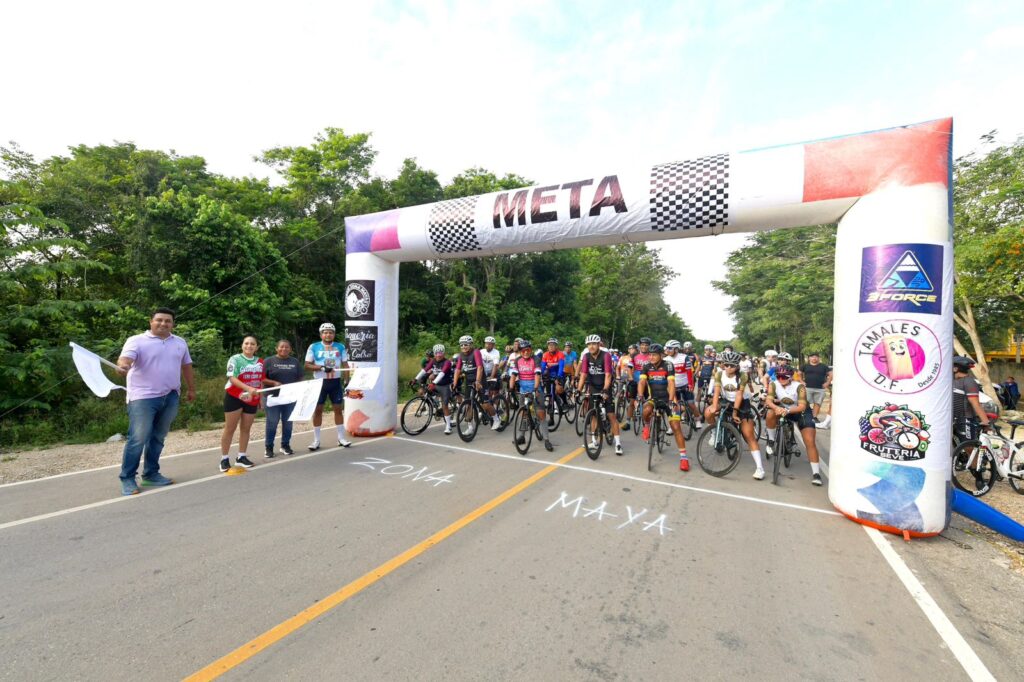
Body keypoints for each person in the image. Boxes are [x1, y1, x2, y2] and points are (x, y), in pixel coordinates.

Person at [114, 308, 196, 496]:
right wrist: (123, 366)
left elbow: (186, 366)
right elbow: (125, 359)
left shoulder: (180, 342)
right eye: (159, 320)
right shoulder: (136, 341)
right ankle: (127, 478)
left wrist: (191, 389)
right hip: (143, 397)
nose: (163, 323)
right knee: (138, 438)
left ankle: (151, 474)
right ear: (150, 321)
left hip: (171, 395)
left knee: (158, 436)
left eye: (168, 321)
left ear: (173, 324)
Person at [220, 336, 279, 472]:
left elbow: (260, 381)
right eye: (246, 343)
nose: (249, 346)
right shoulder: (235, 359)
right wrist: (247, 389)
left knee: (246, 429)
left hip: (251, 399)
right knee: (230, 428)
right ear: (242, 345)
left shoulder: (260, 361)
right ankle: (224, 458)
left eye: (252, 344)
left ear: (256, 347)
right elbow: (232, 378)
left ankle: (241, 457)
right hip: (235, 396)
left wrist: (259, 399)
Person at [703, 350, 763, 479]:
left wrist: (735, 412)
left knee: (748, 434)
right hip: (725, 400)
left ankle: (759, 468)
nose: (729, 368)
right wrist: (714, 407)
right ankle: (715, 433)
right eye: (726, 365)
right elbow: (717, 392)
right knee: (708, 412)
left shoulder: (743, 376)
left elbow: (739, 395)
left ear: (737, 366)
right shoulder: (719, 374)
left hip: (742, 403)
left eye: (732, 365)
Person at [764, 365, 823, 486]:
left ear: (790, 377)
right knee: (770, 413)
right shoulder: (774, 384)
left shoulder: (799, 386)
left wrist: (787, 411)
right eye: (779, 376)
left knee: (809, 441)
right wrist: (777, 408)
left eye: (784, 377)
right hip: (783, 409)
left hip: (800, 412)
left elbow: (801, 406)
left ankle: (816, 474)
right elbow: (768, 401)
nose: (781, 379)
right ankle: (771, 440)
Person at [638, 344, 689, 470]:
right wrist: (640, 395)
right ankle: (647, 425)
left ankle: (684, 458)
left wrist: (671, 400)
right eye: (649, 354)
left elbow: (671, 383)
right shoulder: (646, 366)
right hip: (653, 398)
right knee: (645, 410)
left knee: (676, 427)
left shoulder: (668, 365)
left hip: (668, 399)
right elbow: (642, 382)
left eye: (654, 355)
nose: (651, 357)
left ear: (661, 355)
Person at [304, 322, 351, 450]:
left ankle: (341, 438)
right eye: (325, 332)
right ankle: (316, 440)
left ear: (334, 334)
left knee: (338, 409)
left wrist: (347, 382)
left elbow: (345, 366)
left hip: (335, 383)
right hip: (319, 383)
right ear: (321, 334)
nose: (328, 334)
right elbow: (307, 365)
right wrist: (321, 367)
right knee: (318, 410)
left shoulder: (340, 347)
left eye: (330, 332)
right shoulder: (314, 346)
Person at [577, 334, 623, 455]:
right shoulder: (586, 356)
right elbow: (583, 375)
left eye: (594, 344)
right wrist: (578, 390)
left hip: (605, 385)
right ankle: (593, 441)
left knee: (611, 415)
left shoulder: (606, 355)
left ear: (598, 345)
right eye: (589, 344)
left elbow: (608, 374)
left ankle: (618, 443)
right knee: (593, 415)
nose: (591, 346)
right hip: (593, 386)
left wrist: (605, 390)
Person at [509, 339, 554, 451]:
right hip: (523, 391)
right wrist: (510, 388)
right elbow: (514, 375)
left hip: (536, 389)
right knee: (523, 414)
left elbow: (537, 374)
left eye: (527, 350)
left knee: (541, 414)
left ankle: (547, 439)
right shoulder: (517, 360)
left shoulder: (536, 359)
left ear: (531, 350)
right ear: (520, 351)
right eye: (523, 350)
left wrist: (535, 388)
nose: (525, 352)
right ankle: (522, 436)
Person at [263, 339, 304, 458]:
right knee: (272, 423)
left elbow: (301, 377)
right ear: (276, 348)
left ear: (290, 349)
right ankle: (269, 447)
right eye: (281, 347)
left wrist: (301, 388)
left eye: (287, 347)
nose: (284, 349)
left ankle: (285, 445)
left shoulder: (295, 362)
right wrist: (273, 382)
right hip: (272, 397)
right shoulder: (268, 361)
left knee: (288, 423)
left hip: (290, 398)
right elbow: (262, 379)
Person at [452, 335, 500, 431]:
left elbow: (480, 367)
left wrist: (478, 381)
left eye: (466, 344)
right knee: (468, 404)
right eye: (461, 345)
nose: (464, 347)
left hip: (480, 379)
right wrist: (454, 382)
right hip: (469, 380)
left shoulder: (476, 352)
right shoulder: (461, 354)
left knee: (485, 404)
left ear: (471, 344)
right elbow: (457, 369)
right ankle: (470, 427)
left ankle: (496, 418)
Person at [417, 344, 455, 434]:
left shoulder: (447, 362)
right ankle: (432, 407)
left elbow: (442, 374)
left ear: (444, 353)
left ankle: (448, 426)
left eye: (441, 352)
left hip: (445, 385)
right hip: (436, 384)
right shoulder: (433, 361)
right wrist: (415, 379)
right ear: (434, 354)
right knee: (423, 391)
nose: (439, 355)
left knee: (445, 406)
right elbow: (425, 370)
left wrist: (433, 383)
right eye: (437, 353)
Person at [952, 356, 991, 442]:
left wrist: (985, 421)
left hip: (965, 419)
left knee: (969, 447)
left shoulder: (969, 381)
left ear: (955, 368)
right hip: (953, 419)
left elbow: (975, 403)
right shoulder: (952, 381)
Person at [665, 340, 702, 428]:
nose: (667, 350)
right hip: (673, 386)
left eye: (670, 348)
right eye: (667, 348)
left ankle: (697, 419)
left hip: (685, 384)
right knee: (673, 406)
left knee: (691, 404)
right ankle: (672, 426)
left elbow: (689, 372)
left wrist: (690, 384)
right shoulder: (665, 359)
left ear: (676, 349)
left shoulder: (684, 357)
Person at [800, 352, 832, 423]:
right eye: (812, 356)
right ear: (809, 358)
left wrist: (827, 383)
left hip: (820, 388)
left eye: (816, 357)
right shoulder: (805, 366)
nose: (814, 358)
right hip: (807, 387)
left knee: (817, 403)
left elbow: (831, 374)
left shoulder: (824, 366)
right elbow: (799, 374)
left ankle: (814, 417)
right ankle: (803, 416)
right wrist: (801, 381)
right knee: (805, 402)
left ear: (818, 358)